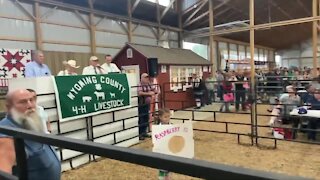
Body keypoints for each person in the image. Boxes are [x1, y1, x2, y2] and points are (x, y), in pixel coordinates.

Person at [0, 89, 61, 179]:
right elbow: (4, 176)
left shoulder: (30, 123)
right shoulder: (7, 137)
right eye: (23, 102)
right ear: (9, 108)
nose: (30, 105)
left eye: (31, 100)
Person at [138, 73, 158, 140]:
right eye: (145, 78)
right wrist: (149, 93)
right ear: (142, 78)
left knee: (147, 118)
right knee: (141, 119)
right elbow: (139, 93)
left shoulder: (149, 84)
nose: (147, 79)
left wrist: (155, 91)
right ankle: (140, 134)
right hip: (141, 104)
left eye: (147, 78)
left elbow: (155, 90)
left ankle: (144, 132)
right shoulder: (139, 84)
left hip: (148, 104)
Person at [155, 108, 171, 180]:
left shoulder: (172, 126)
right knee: (162, 168)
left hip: (170, 151)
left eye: (168, 116)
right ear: (160, 117)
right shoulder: (157, 128)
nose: (167, 118)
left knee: (169, 168)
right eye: (165, 117)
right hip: (161, 151)